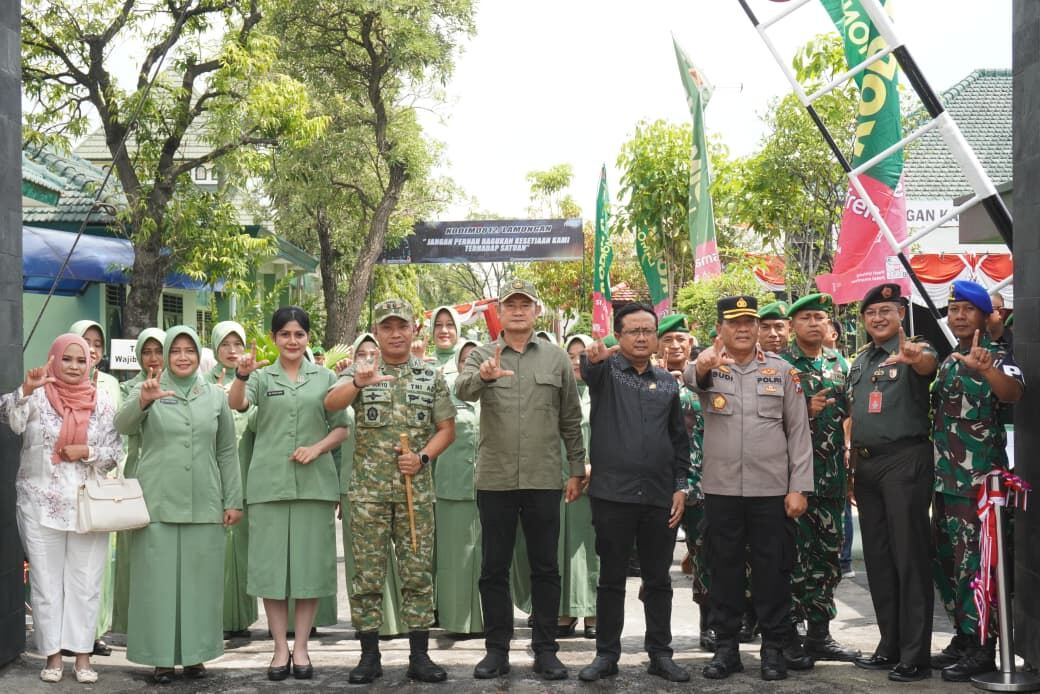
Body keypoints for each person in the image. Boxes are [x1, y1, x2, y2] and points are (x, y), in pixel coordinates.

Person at [455, 278, 585, 681]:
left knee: (545, 567)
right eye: (510, 304)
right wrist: (484, 377)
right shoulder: (481, 354)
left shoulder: (555, 358)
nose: (517, 310)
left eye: (524, 304)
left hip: (544, 477)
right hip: (495, 479)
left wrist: (577, 469)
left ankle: (545, 649)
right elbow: (462, 390)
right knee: (493, 567)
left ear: (535, 311)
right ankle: (497, 651)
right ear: (501, 310)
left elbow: (570, 418)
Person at [324, 299, 456, 684]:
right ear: (377, 332)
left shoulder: (429, 376)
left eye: (402, 326)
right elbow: (330, 404)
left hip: (415, 493)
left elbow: (447, 429)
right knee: (366, 577)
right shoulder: (360, 371)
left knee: (417, 575)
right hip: (368, 496)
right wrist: (356, 382)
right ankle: (369, 656)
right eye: (387, 327)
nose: (395, 333)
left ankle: (419, 656)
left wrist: (422, 458)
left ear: (414, 329)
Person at [685, 295, 813, 682]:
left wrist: (799, 488)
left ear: (758, 328)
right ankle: (726, 648)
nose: (742, 329)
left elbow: (799, 432)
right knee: (723, 569)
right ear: (720, 329)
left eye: (749, 322)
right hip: (722, 489)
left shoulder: (782, 371)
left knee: (772, 570)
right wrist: (703, 363)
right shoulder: (708, 366)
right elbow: (693, 377)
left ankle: (774, 648)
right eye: (733, 323)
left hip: (771, 489)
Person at [115, 326, 242, 684]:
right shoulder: (149, 390)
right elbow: (122, 425)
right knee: (157, 583)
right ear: (167, 355)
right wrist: (143, 400)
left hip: (205, 500)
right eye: (176, 350)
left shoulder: (215, 396)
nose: (183, 356)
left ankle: (195, 655)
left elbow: (227, 451)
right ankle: (161, 658)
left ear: (197, 354)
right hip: (158, 500)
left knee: (200, 583)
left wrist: (233, 499)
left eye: (189, 350)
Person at [227, 307, 346, 682]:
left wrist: (317, 448)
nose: (292, 341)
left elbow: (341, 428)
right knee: (272, 571)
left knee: (309, 570)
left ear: (308, 338)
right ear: (274, 338)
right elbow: (237, 403)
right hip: (269, 486)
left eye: (299, 334)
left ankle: (303, 647)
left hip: (314, 487)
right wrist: (242, 375)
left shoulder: (326, 377)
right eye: (285, 334)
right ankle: (280, 647)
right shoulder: (262, 377)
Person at [576, 304, 690, 683]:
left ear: (656, 336)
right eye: (633, 331)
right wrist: (591, 355)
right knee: (611, 579)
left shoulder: (668, 382)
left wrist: (680, 487)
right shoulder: (606, 373)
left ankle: (660, 653)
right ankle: (606, 655)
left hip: (659, 496)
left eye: (648, 330)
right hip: (613, 496)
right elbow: (588, 366)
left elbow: (679, 440)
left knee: (658, 580)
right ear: (619, 336)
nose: (642, 337)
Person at [2, 334, 120, 684]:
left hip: (88, 507)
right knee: (45, 582)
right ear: (53, 359)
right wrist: (25, 389)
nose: (73, 366)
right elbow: (11, 419)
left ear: (90, 363)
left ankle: (83, 656)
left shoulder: (103, 402)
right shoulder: (36, 396)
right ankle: (53, 656)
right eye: (66, 359)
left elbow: (115, 453)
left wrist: (87, 451)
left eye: (80, 360)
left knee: (85, 583)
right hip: (39, 504)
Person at [930, 281, 1024, 681]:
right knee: (947, 566)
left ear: (988, 316)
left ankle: (984, 646)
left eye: (969, 309)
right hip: (944, 483)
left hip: (979, 484)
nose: (960, 316)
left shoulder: (1001, 356)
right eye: (954, 310)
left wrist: (987, 369)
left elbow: (1015, 393)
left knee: (978, 568)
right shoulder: (950, 361)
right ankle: (964, 637)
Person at [847, 283, 938, 682]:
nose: (879, 318)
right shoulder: (862, 359)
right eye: (872, 313)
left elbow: (926, 365)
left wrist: (916, 358)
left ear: (901, 313)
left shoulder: (916, 349)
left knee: (909, 558)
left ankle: (916, 656)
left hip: (905, 463)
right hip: (866, 468)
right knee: (880, 562)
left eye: (887, 310)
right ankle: (890, 646)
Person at [779, 293, 860, 663]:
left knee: (827, 560)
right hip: (792, 481)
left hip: (830, 480)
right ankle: (789, 636)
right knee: (793, 558)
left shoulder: (840, 366)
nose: (814, 323)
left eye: (820, 318)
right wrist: (802, 412)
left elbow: (851, 417)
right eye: (806, 317)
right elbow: (765, 425)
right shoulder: (780, 367)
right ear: (793, 325)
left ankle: (819, 634)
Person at [337, 333, 407, 638]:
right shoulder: (346, 388)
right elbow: (337, 439)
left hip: (394, 483)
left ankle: (396, 622)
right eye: (360, 353)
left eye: (372, 352)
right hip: (353, 486)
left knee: (398, 557)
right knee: (364, 562)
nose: (366, 358)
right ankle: (368, 628)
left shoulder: (392, 385)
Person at [657, 314, 712, 650]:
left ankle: (710, 627)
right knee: (655, 561)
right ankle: (657, 635)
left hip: (703, 482)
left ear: (691, 343)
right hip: (660, 484)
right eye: (668, 339)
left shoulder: (704, 378)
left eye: (681, 338)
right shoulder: (647, 379)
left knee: (707, 557)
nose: (675, 345)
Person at [68, 319, 121, 655]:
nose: (91, 348)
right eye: (84, 341)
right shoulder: (58, 383)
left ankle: (95, 632)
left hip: (105, 480)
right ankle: (70, 636)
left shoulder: (113, 384)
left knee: (101, 562)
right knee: (70, 564)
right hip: (68, 484)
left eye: (97, 342)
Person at [203, 321, 259, 639]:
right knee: (218, 551)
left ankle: (242, 620)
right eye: (225, 344)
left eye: (238, 343)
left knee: (243, 549)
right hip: (216, 476)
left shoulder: (255, 381)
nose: (232, 350)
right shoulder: (202, 383)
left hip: (248, 472)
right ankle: (217, 618)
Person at [111, 328, 165, 637]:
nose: (153, 357)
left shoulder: (176, 387)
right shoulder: (126, 388)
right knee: (134, 550)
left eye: (159, 350)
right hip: (135, 475)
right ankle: (131, 622)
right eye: (147, 351)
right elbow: (123, 426)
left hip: (167, 477)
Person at [434, 338, 484, 635]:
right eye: (465, 360)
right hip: (452, 485)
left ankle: (489, 619)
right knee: (456, 557)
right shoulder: (444, 394)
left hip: (492, 485)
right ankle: (456, 620)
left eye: (475, 360)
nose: (469, 365)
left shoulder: (495, 393)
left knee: (488, 556)